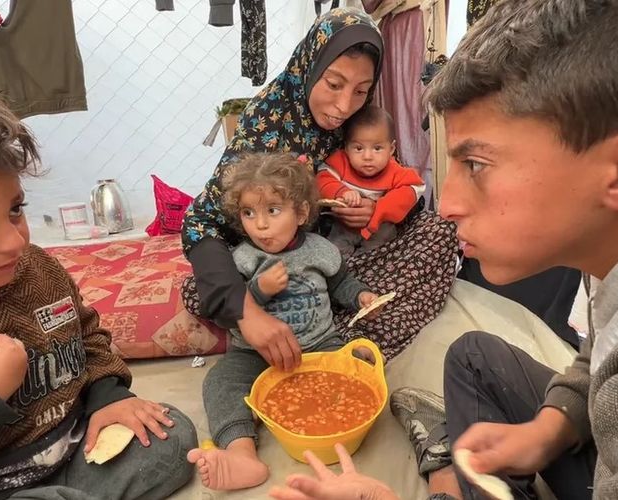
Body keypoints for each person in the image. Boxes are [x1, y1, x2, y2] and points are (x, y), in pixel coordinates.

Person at [269, 0, 618, 498]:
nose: (448, 206)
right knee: (472, 353)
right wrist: (546, 433)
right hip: (597, 430)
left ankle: (446, 485)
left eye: (477, 165)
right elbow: (600, 353)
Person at [0, 93, 197, 500]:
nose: (13, 241)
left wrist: (108, 397)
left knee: (170, 436)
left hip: (69, 454)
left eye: (15, 209)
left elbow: (88, 335)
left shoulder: (40, 270)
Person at [181, 7, 458, 363]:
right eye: (334, 84)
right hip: (272, 259)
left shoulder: (360, 119)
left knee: (438, 232)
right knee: (212, 286)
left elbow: (399, 182)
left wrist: (375, 208)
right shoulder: (269, 120)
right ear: (310, 67)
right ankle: (329, 333)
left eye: (361, 90)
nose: (344, 106)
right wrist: (245, 311)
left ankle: (344, 322)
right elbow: (201, 224)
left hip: (332, 257)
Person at [186, 152, 382, 491]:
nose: (260, 225)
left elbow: (340, 283)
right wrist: (258, 291)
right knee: (219, 382)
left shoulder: (321, 250)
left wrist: (362, 296)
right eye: (249, 213)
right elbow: (232, 311)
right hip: (253, 355)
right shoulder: (244, 258)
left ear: (301, 212)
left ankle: (335, 432)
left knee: (355, 364)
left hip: (320, 345)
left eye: (273, 211)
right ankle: (242, 454)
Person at [316, 105, 425, 256]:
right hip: (344, 226)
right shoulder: (341, 162)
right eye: (359, 148)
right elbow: (322, 177)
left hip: (379, 229)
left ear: (391, 149)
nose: (368, 156)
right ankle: (345, 271)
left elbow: (415, 187)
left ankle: (369, 267)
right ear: (346, 148)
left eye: (377, 148)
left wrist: (380, 209)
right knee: (333, 252)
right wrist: (342, 191)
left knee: (382, 248)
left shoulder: (395, 170)